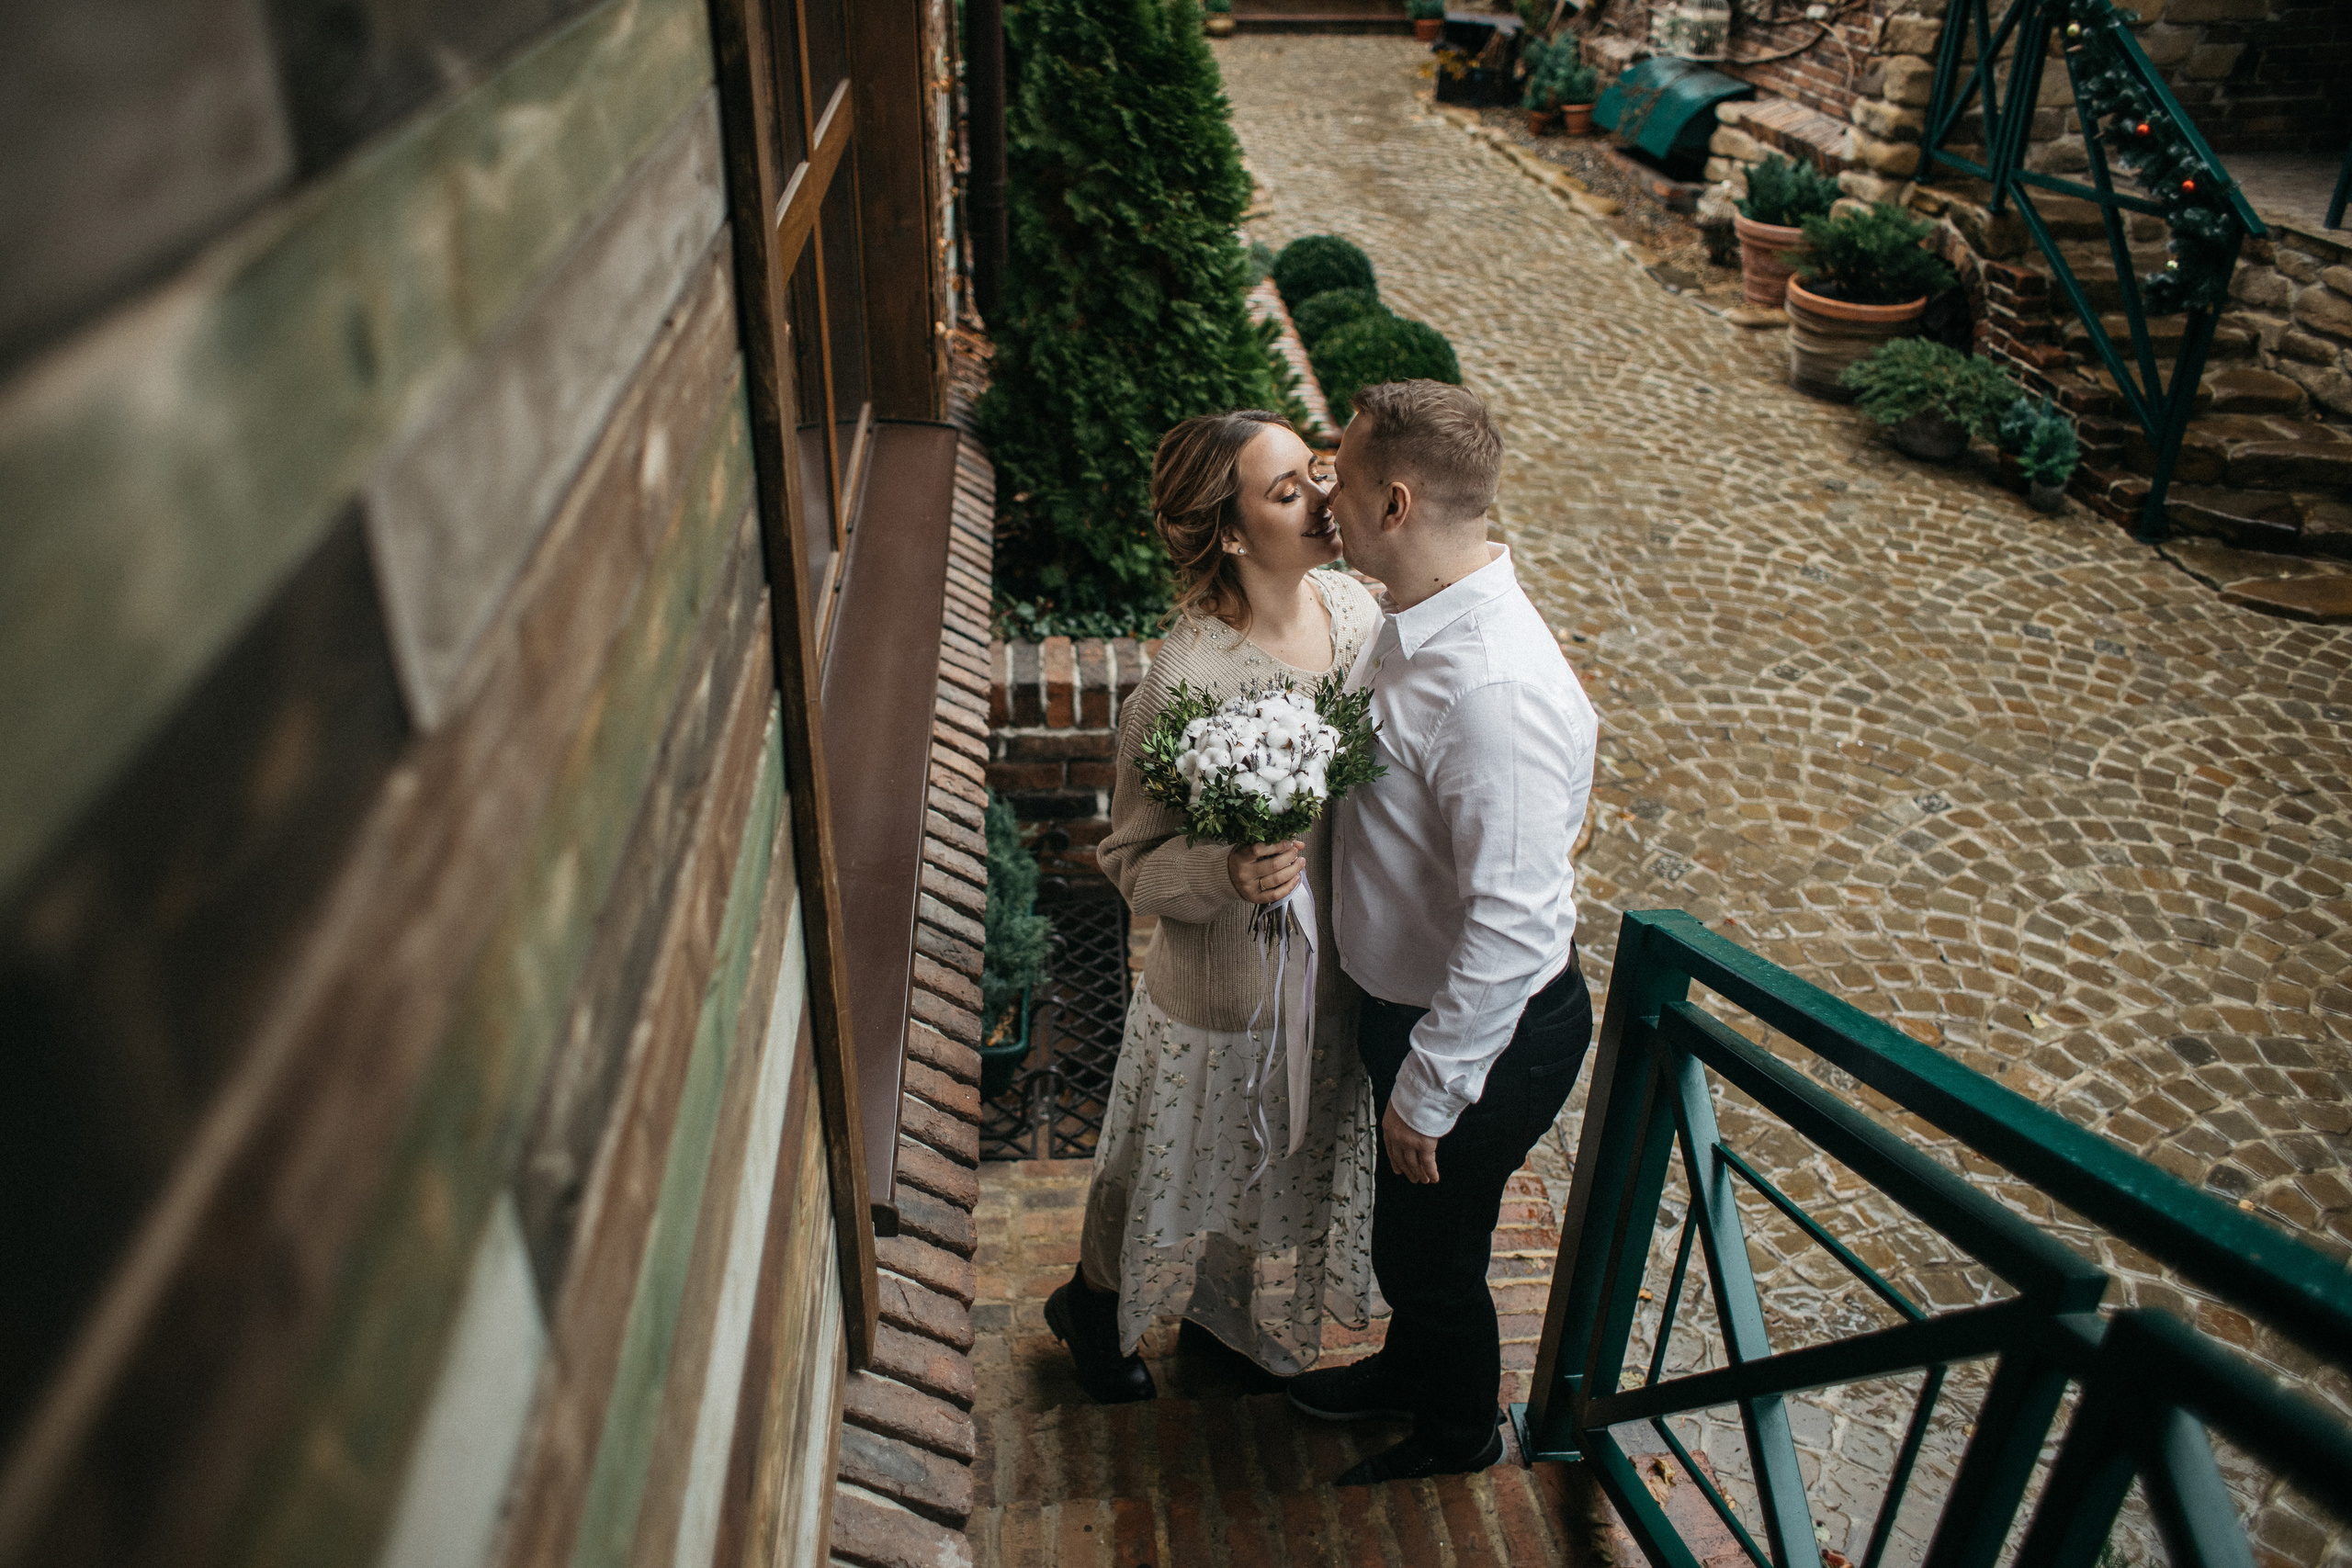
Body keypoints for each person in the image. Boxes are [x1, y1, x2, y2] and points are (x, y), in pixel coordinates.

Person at [1285, 380, 1599, 1484]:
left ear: (1397, 502)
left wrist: (1430, 1088)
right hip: (1407, 1002)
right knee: (1414, 1241)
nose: (1326, 493)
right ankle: (1408, 1374)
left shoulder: (1490, 690)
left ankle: (1460, 1429)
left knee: (1431, 1254)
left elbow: (1518, 928)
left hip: (1484, 1034)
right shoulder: (1415, 619)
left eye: (1342, 477)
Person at [1046, 410, 1383, 1402]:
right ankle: (1090, 1306)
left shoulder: (1353, 613)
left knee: (1270, 1172)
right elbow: (1130, 861)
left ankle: (1222, 1327)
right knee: (1164, 1170)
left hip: (1332, 981)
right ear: (1230, 534)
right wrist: (1224, 874)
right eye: (1287, 491)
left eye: (1313, 472)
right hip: (1219, 993)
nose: (1322, 497)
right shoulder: (1182, 684)